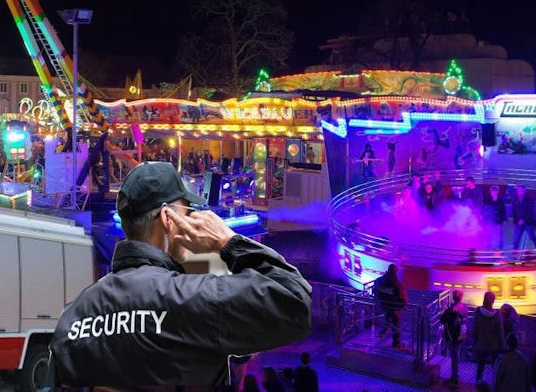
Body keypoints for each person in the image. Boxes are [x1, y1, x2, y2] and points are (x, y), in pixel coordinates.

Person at [48, 161, 313, 387]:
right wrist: (228, 242)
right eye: (187, 210)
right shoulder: (195, 300)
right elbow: (295, 302)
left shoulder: (72, 318)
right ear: (167, 218)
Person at [471, 291, 505, 384]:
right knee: (495, 368)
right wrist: (503, 347)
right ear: (493, 301)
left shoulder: (478, 312)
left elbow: (474, 329)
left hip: (481, 344)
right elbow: (500, 333)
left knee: (480, 367)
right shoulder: (497, 315)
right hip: (494, 346)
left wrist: (474, 343)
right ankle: (495, 386)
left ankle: (478, 386)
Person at [373, 263, 408, 349]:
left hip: (383, 305)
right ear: (396, 272)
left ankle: (382, 333)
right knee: (396, 325)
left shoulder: (378, 281)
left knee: (387, 319)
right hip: (394, 308)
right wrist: (402, 306)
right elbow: (403, 300)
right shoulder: (398, 285)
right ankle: (396, 344)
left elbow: (375, 291)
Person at [441, 290, 470, 387]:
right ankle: (455, 374)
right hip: (462, 333)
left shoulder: (450, 310)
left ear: (453, 297)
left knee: (454, 357)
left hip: (452, 336)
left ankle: (453, 379)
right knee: (457, 354)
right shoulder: (465, 307)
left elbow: (442, 320)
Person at [511, 185, 536, 250]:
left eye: (521, 190)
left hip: (528, 223)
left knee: (532, 237)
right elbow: (514, 212)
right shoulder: (515, 199)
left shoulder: (529, 199)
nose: (519, 191)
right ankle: (514, 255)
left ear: (524, 191)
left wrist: (523, 220)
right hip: (518, 223)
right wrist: (515, 222)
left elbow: (530, 212)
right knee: (516, 240)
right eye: (518, 190)